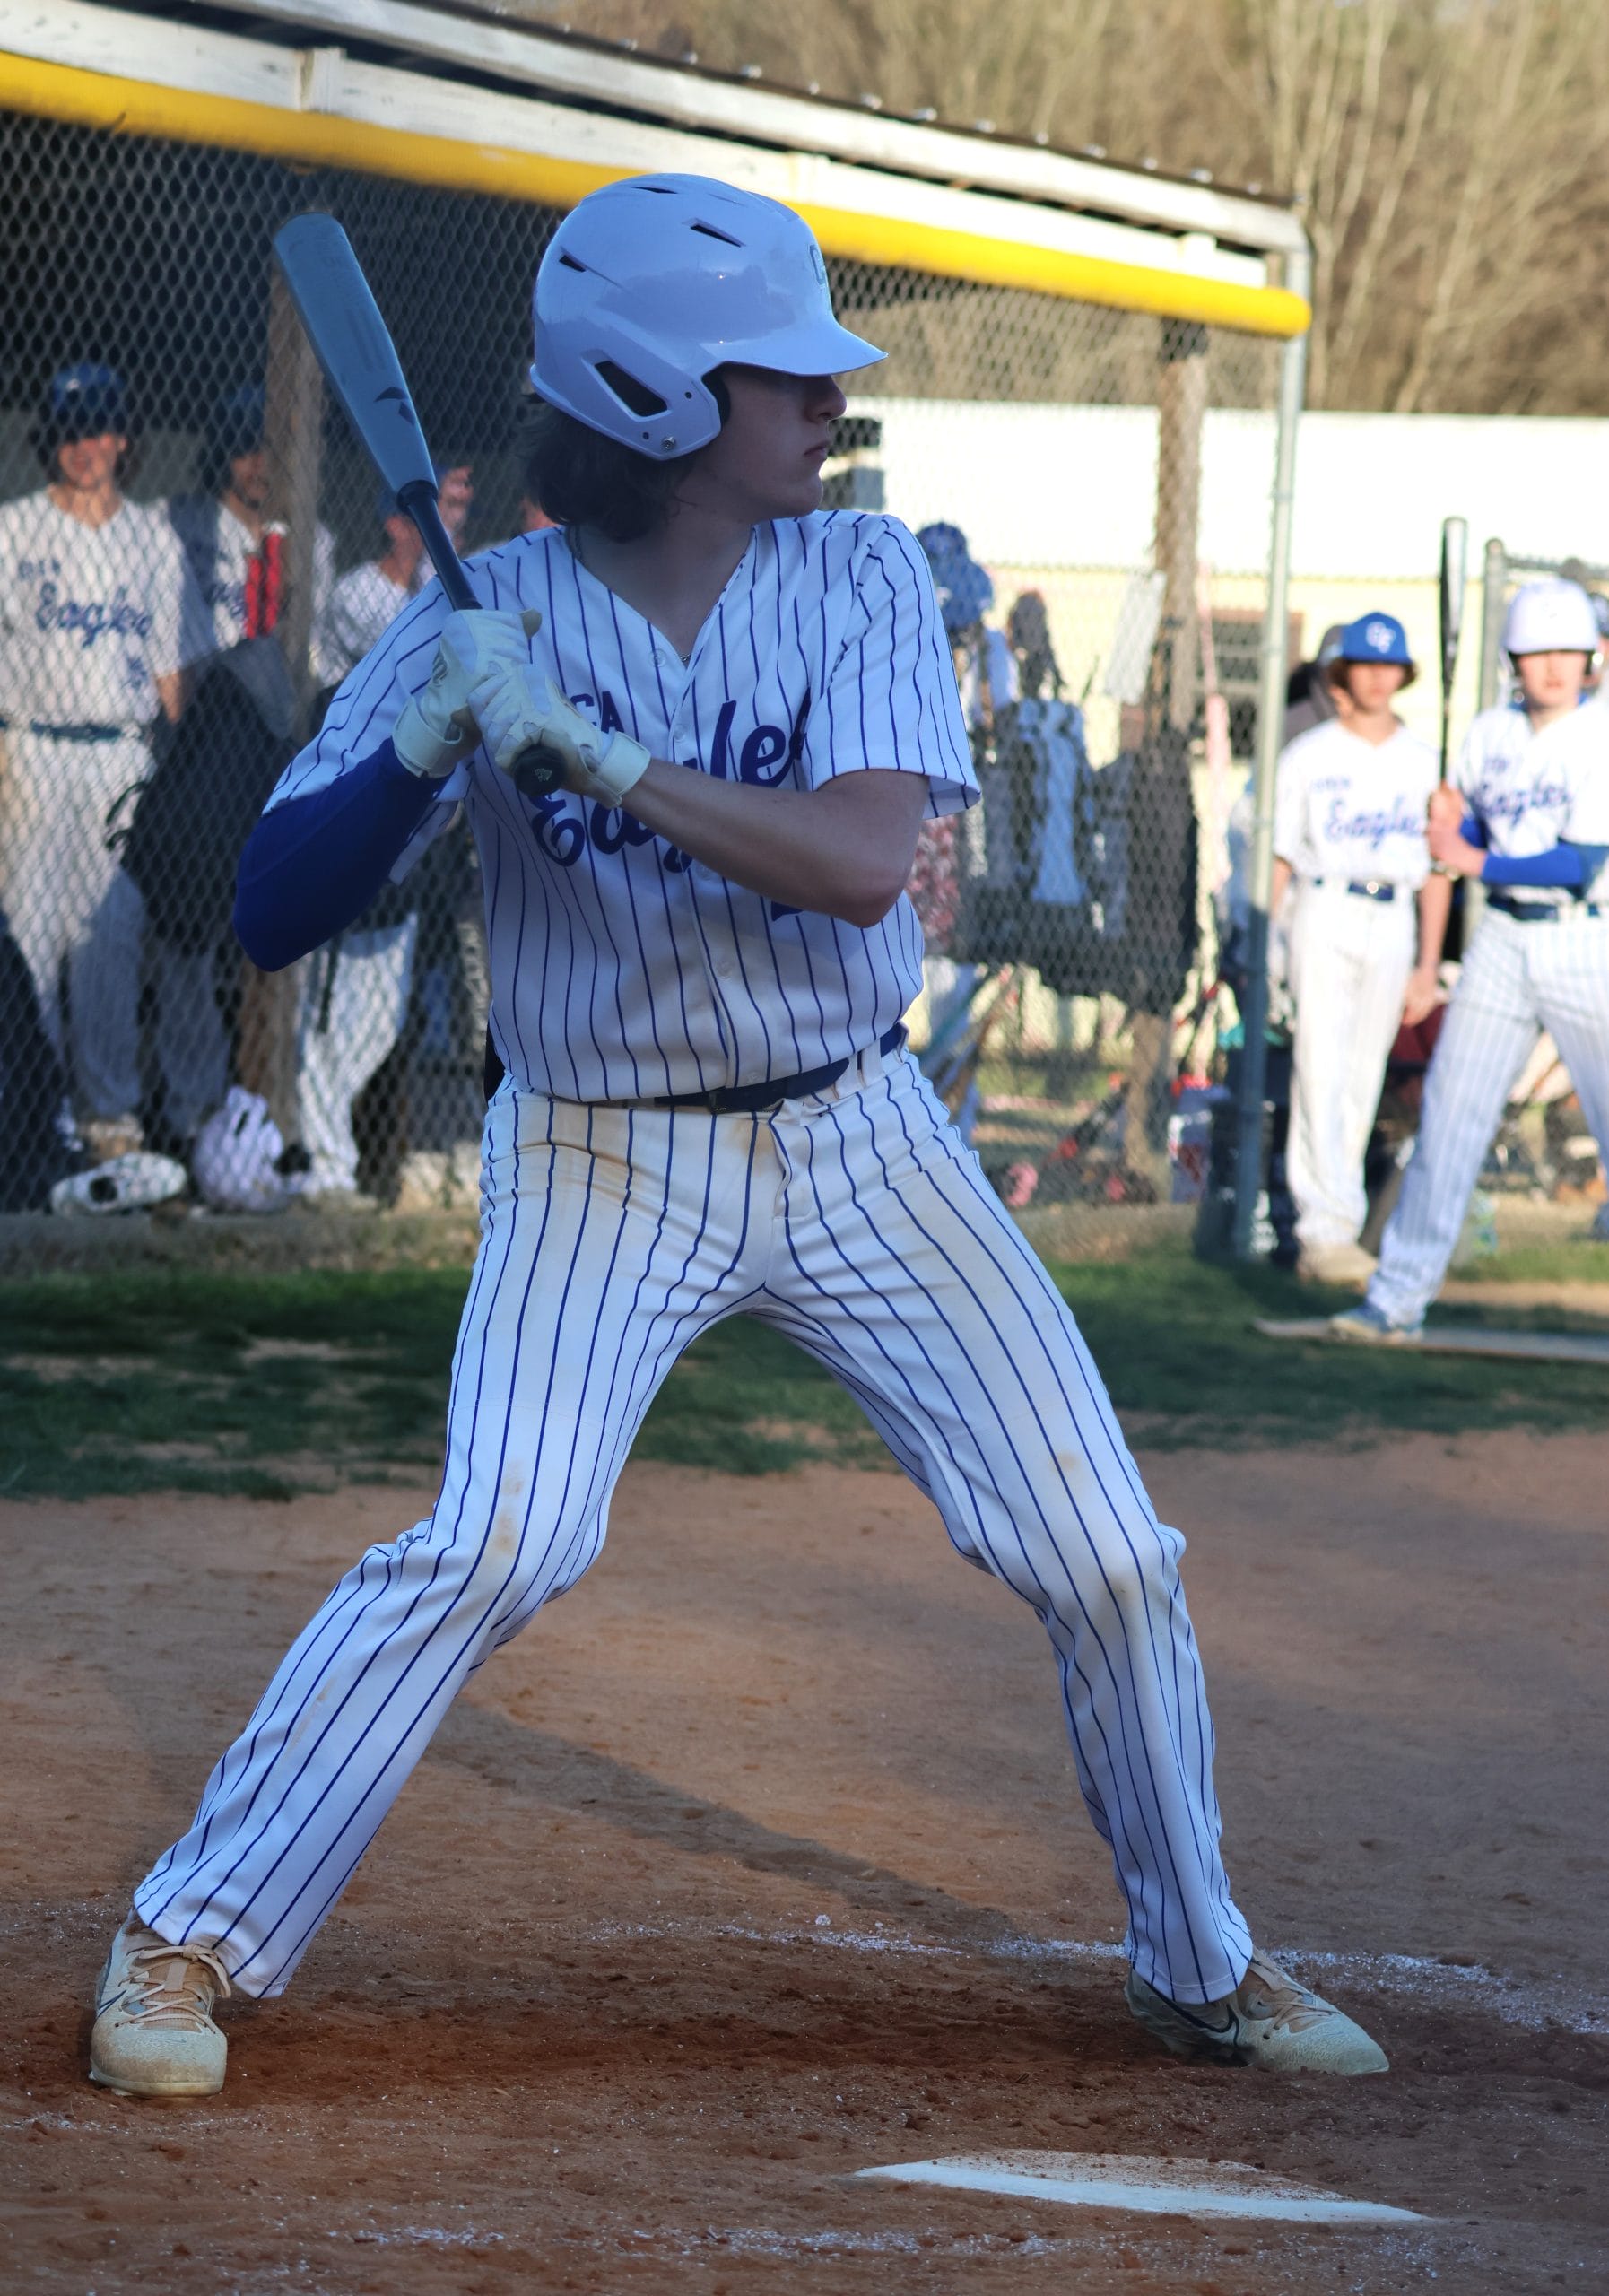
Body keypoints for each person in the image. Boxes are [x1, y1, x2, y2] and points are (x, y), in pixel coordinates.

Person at [88, 173, 1385, 2098]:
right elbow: (269, 905)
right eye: (785, 378)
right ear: (654, 403)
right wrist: (423, 748)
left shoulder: (856, 576)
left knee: (1108, 1548)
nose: (831, 404)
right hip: (605, 1157)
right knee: (503, 1534)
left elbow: (867, 863)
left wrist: (601, 755)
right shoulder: (489, 615)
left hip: (865, 1140)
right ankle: (188, 1927)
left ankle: (1199, 1957)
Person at [1335, 578, 1609, 1339]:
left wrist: (1469, 857)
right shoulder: (1488, 732)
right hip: (1501, 943)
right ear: (1512, 659)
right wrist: (1463, 826)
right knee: (1450, 1118)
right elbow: (1485, 837)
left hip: (1587, 936)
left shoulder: (1603, 733)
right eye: (1536, 653)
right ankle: (1394, 1300)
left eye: (1567, 652)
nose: (1553, 667)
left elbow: (1579, 862)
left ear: (1590, 657)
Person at [0, 362, 196, 1163]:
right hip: (30, 747)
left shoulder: (150, 537)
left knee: (110, 940)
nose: (88, 448)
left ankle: (110, 1120)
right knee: (30, 939)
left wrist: (175, 775)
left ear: (124, 437)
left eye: (102, 430)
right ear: (55, 439)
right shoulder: (14, 528)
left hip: (122, 754)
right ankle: (37, 1116)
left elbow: (169, 673)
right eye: (73, 432)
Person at [293, 459, 475, 1201]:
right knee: (335, 1011)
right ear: (398, 524)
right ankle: (325, 1167)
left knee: (382, 1014)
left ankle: (346, 1161)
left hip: (415, 819)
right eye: (429, 518)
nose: (446, 529)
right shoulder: (359, 594)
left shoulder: (441, 591)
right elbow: (429, 657)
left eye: (454, 515)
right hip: (352, 807)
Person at [1271, 613, 1446, 1286]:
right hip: (1325, 903)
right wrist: (1268, 938)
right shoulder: (1309, 754)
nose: (1377, 676)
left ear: (1402, 674)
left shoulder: (1425, 757)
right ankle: (1323, 1228)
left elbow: (1438, 869)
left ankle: (1339, 1220)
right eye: (1364, 665)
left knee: (1364, 1070)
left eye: (1388, 664)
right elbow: (1281, 856)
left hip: (1392, 912)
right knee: (1319, 1064)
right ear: (1342, 675)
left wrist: (1429, 963)